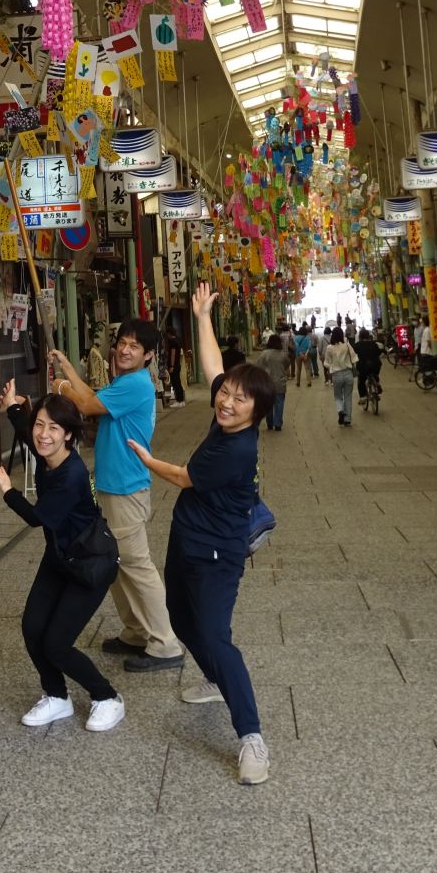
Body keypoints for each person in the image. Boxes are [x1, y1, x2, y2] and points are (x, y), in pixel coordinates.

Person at [126, 280, 272, 786]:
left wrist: (147, 459)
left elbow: (184, 477)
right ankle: (212, 675)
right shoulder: (224, 417)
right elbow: (214, 370)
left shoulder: (236, 449)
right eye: (227, 395)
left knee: (213, 636)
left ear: (258, 410)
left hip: (218, 552)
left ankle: (251, 736)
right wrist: (203, 317)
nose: (227, 402)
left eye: (239, 399)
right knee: (184, 623)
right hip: (187, 538)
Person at [0, 382, 125, 732]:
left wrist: (7, 489)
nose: (43, 434)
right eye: (40, 424)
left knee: (57, 644)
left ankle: (107, 697)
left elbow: (38, 518)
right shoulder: (46, 450)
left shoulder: (71, 474)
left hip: (91, 564)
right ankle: (56, 696)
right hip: (61, 556)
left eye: (54, 428)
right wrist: (14, 409)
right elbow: (28, 433)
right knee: (32, 627)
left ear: (68, 436)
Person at [48, 320, 184, 673]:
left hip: (126, 489)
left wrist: (61, 385)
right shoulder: (125, 382)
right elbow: (93, 398)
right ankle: (137, 632)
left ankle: (165, 643)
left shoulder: (136, 384)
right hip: (114, 486)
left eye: (134, 346)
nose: (125, 350)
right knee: (116, 564)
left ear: (149, 355)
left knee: (136, 565)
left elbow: (87, 407)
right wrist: (67, 368)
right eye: (122, 343)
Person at [323, 326, 358, 426]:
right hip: (348, 373)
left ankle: (340, 410)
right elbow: (354, 357)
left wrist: (331, 368)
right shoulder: (346, 345)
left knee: (338, 396)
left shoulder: (329, 348)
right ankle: (347, 419)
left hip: (336, 375)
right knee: (348, 396)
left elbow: (326, 363)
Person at [253, 333, 288, 431]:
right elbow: (287, 364)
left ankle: (270, 423)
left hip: (267, 383)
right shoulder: (283, 354)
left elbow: (258, 366)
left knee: (268, 403)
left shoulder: (264, 354)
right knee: (279, 403)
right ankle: (278, 424)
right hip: (280, 383)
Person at [354, 328, 382, 407]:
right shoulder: (373, 344)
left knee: (361, 380)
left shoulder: (357, 345)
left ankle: (363, 397)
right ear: (368, 336)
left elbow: (353, 355)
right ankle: (377, 383)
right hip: (375, 365)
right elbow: (379, 353)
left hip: (363, 366)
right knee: (375, 374)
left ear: (360, 336)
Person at [165, 323, 186, 407]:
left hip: (174, 365)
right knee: (178, 382)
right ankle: (182, 401)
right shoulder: (178, 340)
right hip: (178, 364)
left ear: (169, 333)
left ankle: (179, 400)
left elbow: (173, 354)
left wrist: (171, 366)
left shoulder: (172, 342)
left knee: (175, 383)